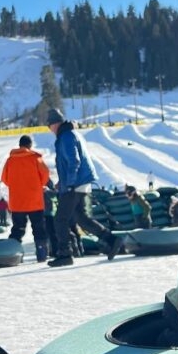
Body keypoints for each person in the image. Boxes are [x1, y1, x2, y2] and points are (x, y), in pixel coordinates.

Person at [46, 108, 124, 266]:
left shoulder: (66, 136)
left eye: (50, 126)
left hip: (74, 185)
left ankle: (65, 254)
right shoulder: (71, 134)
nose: (50, 130)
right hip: (80, 183)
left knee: (60, 219)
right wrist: (63, 181)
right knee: (81, 218)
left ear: (55, 124)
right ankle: (112, 240)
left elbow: (74, 161)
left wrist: (68, 184)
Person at [0, 134, 51, 262]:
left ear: (19, 145)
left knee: (17, 229)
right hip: (35, 201)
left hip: (17, 202)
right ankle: (42, 254)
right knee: (38, 228)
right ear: (30, 145)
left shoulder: (10, 160)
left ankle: (13, 254)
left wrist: (17, 187)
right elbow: (45, 175)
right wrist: (38, 185)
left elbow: (5, 179)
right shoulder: (35, 158)